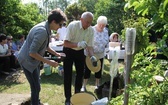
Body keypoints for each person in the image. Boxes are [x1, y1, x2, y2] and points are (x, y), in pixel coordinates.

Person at [17, 8, 67, 105]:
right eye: (60, 24)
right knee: (35, 87)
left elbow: (46, 46)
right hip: (27, 61)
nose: (60, 27)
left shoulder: (47, 28)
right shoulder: (42, 31)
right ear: (53, 21)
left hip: (33, 60)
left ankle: (37, 102)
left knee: (37, 85)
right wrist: (50, 62)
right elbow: (32, 53)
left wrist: (56, 54)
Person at [63, 11, 97, 105]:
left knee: (80, 74)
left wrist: (92, 56)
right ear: (81, 19)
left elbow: (90, 46)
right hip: (68, 50)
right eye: (87, 22)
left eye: (91, 22)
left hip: (80, 52)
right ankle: (68, 98)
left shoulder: (91, 30)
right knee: (68, 75)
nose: (89, 24)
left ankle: (77, 95)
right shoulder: (73, 26)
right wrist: (77, 44)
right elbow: (65, 43)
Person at [81, 16, 109, 91]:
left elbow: (107, 42)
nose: (102, 26)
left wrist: (107, 49)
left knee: (98, 69)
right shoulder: (91, 30)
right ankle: (83, 86)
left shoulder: (105, 31)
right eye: (100, 24)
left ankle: (97, 85)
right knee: (87, 70)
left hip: (100, 54)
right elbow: (85, 41)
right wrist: (89, 53)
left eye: (103, 25)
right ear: (97, 23)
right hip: (90, 53)